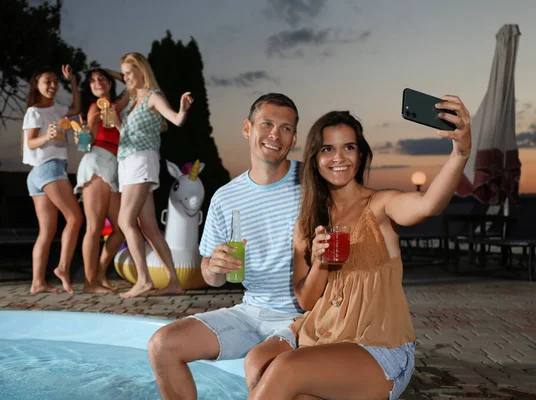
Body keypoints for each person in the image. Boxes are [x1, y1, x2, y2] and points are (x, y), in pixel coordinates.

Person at [247, 95, 472, 400]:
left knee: (286, 369)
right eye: (328, 149)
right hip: (320, 332)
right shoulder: (307, 221)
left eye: (348, 147)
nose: (338, 157)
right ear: (314, 157)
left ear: (361, 154)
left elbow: (428, 205)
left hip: (376, 345)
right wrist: (321, 263)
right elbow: (306, 300)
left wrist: (461, 152)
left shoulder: (379, 205)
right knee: (258, 362)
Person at [148, 93, 304, 399]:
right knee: (162, 345)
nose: (275, 134)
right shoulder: (225, 197)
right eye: (267, 124)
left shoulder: (310, 181)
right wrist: (215, 267)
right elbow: (209, 274)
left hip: (301, 316)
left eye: (286, 128)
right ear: (247, 129)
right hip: (249, 312)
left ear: (294, 138)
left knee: (261, 368)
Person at [114, 52, 193, 298]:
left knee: (124, 221)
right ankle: (174, 282)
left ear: (142, 71)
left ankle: (144, 280)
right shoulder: (130, 103)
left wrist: (182, 109)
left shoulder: (152, 97)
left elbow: (176, 119)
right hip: (126, 163)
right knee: (148, 227)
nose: (126, 77)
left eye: (129, 72)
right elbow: (128, 135)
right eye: (124, 73)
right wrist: (115, 124)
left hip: (141, 161)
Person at [22, 65, 83, 295]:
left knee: (47, 231)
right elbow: (30, 142)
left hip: (41, 174)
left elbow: (76, 108)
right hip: (48, 170)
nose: (52, 85)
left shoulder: (58, 110)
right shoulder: (34, 112)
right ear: (37, 85)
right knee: (75, 218)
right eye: (47, 81)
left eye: (56, 82)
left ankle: (37, 282)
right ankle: (63, 268)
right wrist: (46, 136)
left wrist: (73, 82)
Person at [73, 68, 125, 293]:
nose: (97, 82)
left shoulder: (114, 107)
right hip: (97, 162)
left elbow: (132, 85)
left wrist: (109, 72)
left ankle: (100, 272)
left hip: (113, 165)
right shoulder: (95, 107)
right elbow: (86, 142)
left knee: (122, 228)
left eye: (101, 79)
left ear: (110, 83)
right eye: (92, 80)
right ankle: (89, 282)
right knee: (94, 228)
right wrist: (83, 135)